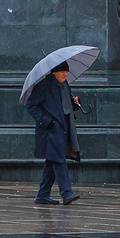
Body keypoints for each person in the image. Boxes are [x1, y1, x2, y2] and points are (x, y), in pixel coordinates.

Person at [25, 64, 79, 207]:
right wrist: (47, 121)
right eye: (62, 72)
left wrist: (74, 104)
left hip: (64, 128)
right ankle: (66, 192)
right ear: (54, 73)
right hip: (50, 131)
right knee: (59, 159)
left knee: (52, 161)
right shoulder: (43, 86)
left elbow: (65, 106)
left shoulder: (65, 85)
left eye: (67, 72)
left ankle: (42, 195)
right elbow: (31, 105)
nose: (65, 75)